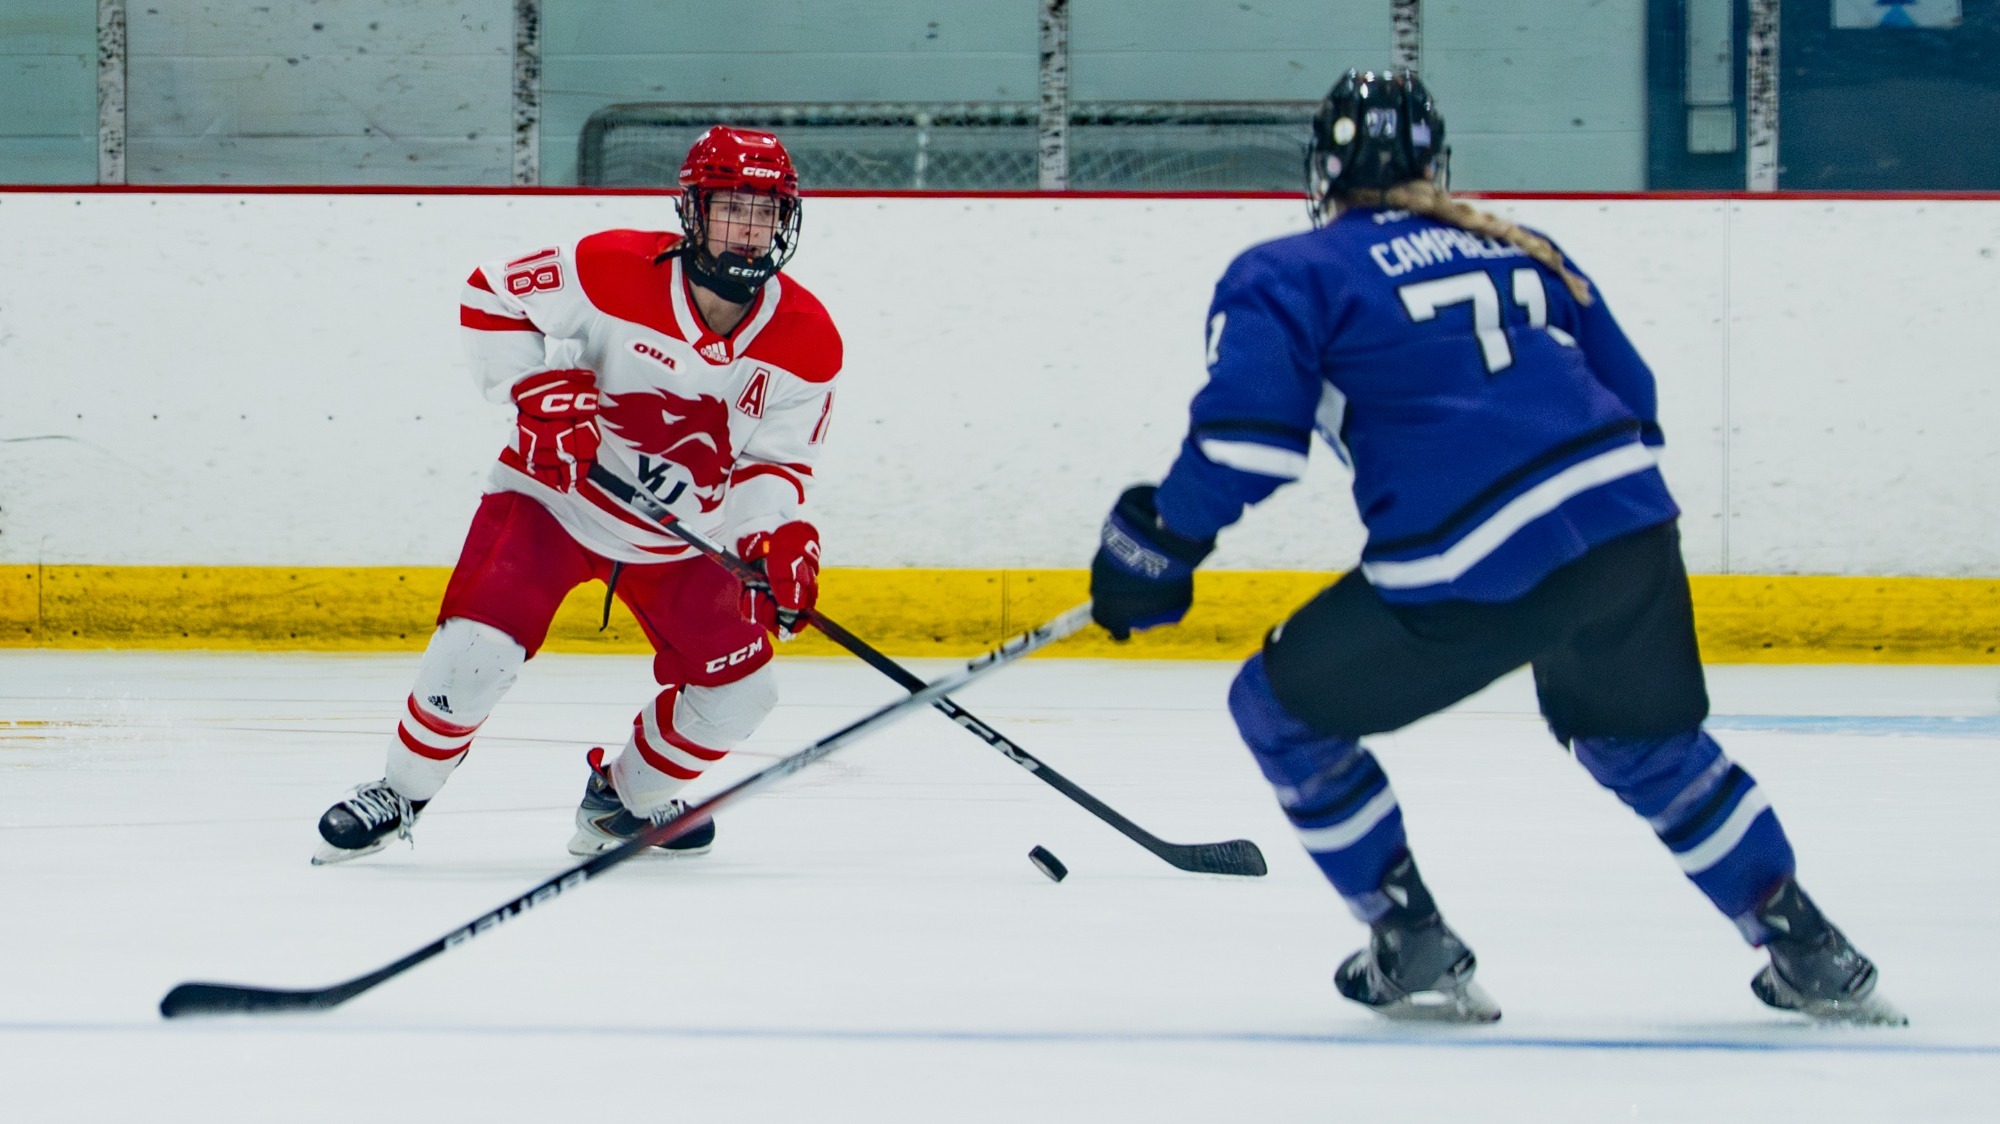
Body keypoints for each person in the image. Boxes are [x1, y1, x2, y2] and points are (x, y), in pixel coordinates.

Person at [1088, 70, 1901, 1025]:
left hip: (1470, 557)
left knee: (1278, 710)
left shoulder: (1288, 271)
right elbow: (1631, 394)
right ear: (1435, 164)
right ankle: (1806, 943)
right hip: (1628, 526)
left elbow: (1245, 444)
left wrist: (1159, 541)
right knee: (1644, 743)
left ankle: (1409, 936)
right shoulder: (1522, 247)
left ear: (1324, 172)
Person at [314, 126, 840, 865]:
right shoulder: (609, 268)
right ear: (692, 211)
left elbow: (772, 467)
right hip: (554, 499)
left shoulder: (808, 339)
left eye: (766, 213)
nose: (750, 230)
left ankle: (622, 802)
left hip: (677, 537)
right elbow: (490, 293)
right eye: (732, 208)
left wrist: (769, 541)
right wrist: (530, 394)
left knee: (744, 696)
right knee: (474, 656)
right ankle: (401, 792)